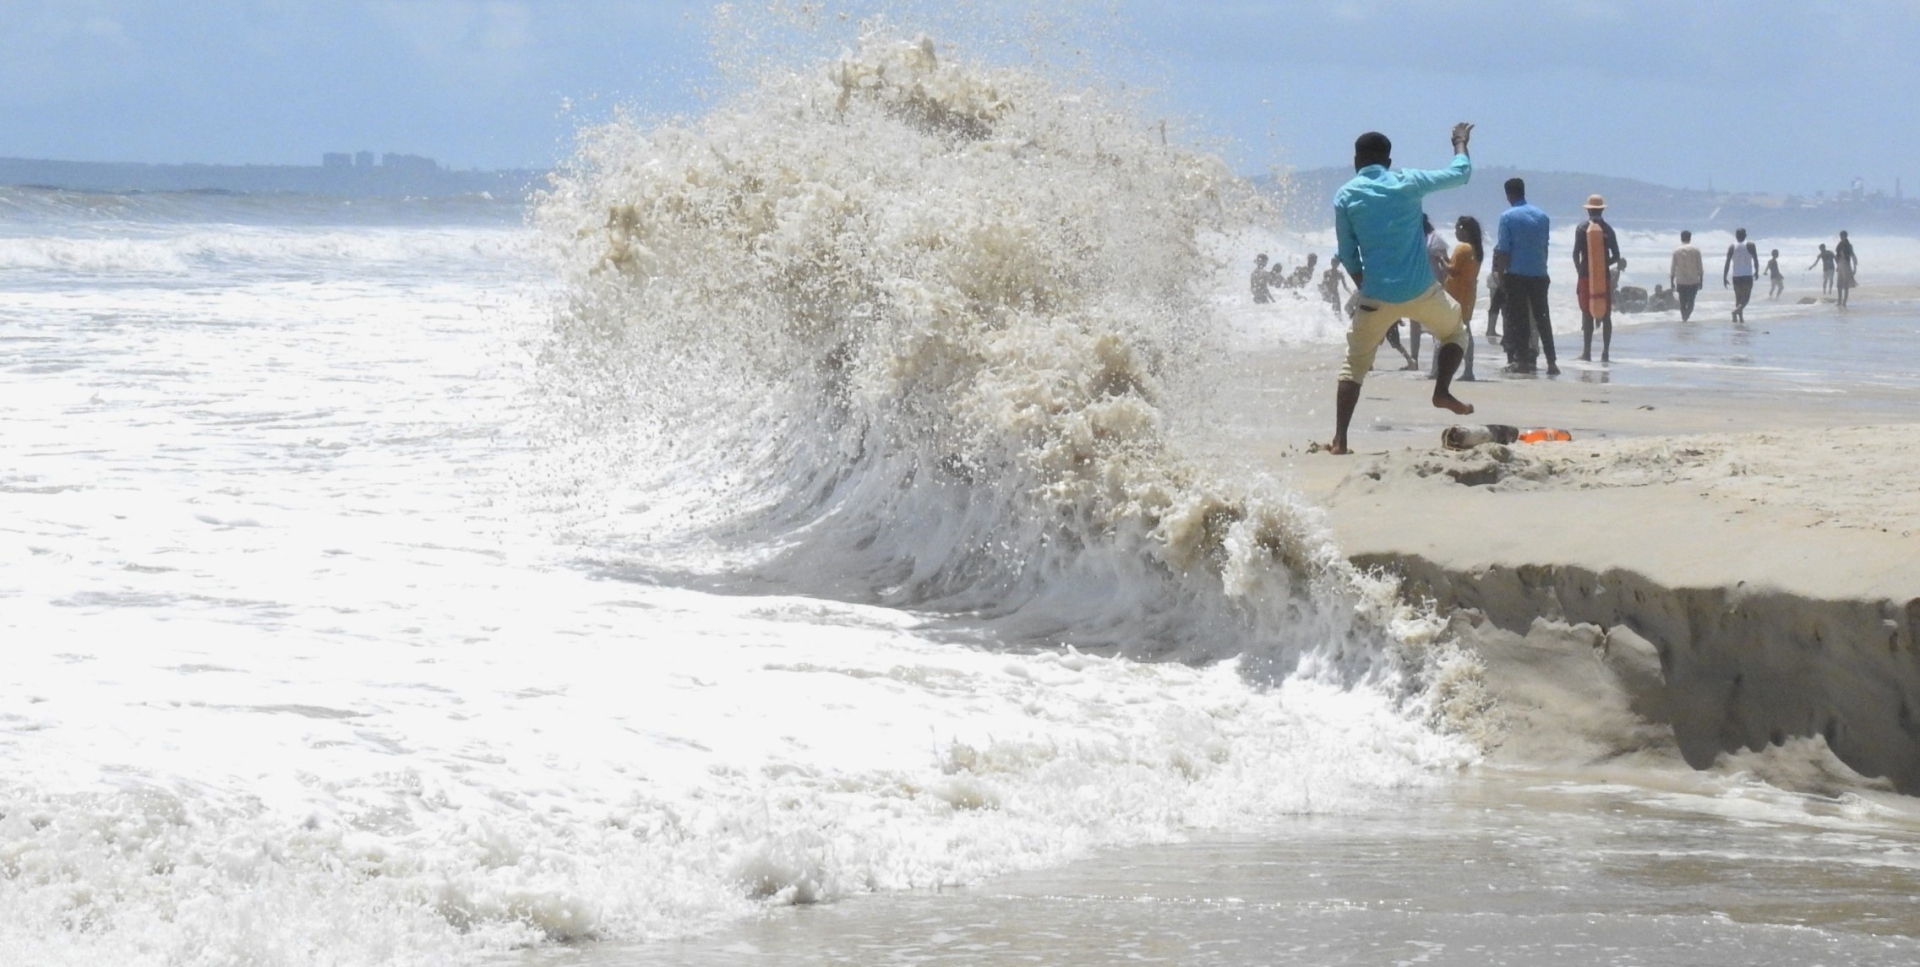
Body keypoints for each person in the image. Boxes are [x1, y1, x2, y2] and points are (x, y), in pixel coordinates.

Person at [1326, 123, 1476, 455]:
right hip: (1422, 292)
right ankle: (1442, 391)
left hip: (1376, 296)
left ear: (1356, 160)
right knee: (1456, 332)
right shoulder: (1408, 182)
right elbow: (1461, 173)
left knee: (1355, 366)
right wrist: (1459, 142)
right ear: (1388, 160)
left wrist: (1366, 287)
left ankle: (1340, 440)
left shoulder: (1346, 195)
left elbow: (1348, 253)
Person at [1494, 176, 1558, 375]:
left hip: (1517, 275)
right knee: (1542, 318)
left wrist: (1500, 275)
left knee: (1519, 320)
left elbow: (1504, 250)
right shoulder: (1542, 216)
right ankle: (1551, 362)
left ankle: (1521, 361)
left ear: (1508, 195)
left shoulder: (1507, 217)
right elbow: (1544, 247)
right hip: (1539, 274)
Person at [1572, 194, 1623, 363]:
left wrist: (1581, 270)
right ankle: (1605, 353)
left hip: (1586, 277)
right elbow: (1616, 255)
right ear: (1602, 210)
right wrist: (1602, 265)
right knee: (1606, 314)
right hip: (1604, 277)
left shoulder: (1581, 228)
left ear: (1588, 210)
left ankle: (1587, 353)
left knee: (1587, 313)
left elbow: (1575, 254)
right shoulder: (1608, 229)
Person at [1441, 214, 1484, 381]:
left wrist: (1441, 260)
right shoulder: (1475, 248)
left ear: (1463, 229)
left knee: (1452, 332)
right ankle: (1468, 368)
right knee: (1465, 330)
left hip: (1456, 294)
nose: (1455, 232)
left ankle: (1447, 368)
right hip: (1468, 293)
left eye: (1457, 228)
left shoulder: (1463, 248)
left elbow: (1452, 270)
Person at [1722, 227, 1759, 322]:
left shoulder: (1732, 247)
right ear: (1745, 235)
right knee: (1746, 298)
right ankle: (1736, 311)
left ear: (1736, 236)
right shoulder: (1750, 245)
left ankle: (1739, 318)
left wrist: (1724, 277)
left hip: (1736, 276)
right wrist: (1757, 271)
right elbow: (1755, 259)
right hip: (1747, 275)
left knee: (1738, 298)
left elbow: (1727, 262)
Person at [1670, 230, 1704, 321]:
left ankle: (1684, 319)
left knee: (1682, 302)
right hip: (1693, 281)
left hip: (1681, 280)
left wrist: (1671, 282)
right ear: (1690, 238)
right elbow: (1699, 265)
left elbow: (1673, 267)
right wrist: (1701, 280)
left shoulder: (1676, 250)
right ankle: (1685, 319)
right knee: (1691, 302)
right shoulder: (1696, 250)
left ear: (1681, 238)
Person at [1835, 230, 1858, 308]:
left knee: (1846, 285)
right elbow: (1838, 257)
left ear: (1846, 236)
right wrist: (1837, 266)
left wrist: (1855, 267)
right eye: (1840, 236)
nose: (1841, 237)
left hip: (1847, 266)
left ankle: (1844, 302)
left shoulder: (1849, 245)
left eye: (1842, 236)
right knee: (1839, 285)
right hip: (1840, 265)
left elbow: (1853, 255)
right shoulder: (1839, 245)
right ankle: (1839, 301)